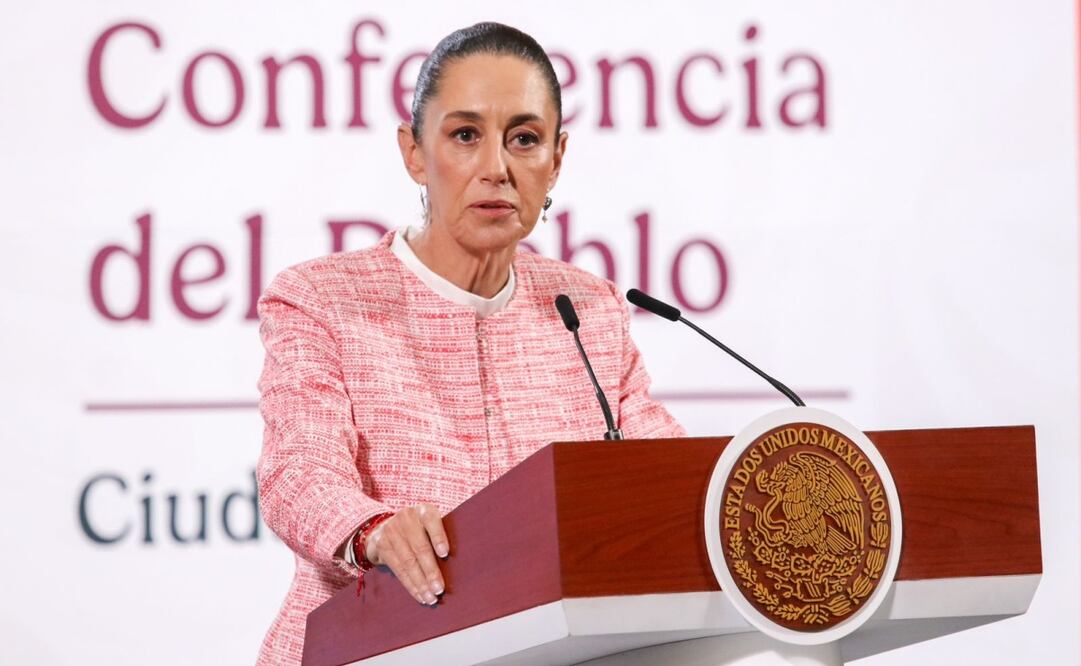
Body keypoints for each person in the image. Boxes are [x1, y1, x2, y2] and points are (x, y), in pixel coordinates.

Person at [254, 22, 685, 665]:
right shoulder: (323, 299)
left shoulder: (587, 309)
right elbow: (299, 472)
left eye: (525, 139)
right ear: (414, 153)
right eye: (464, 136)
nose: (496, 168)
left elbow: (666, 476)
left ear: (556, 159)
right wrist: (374, 532)